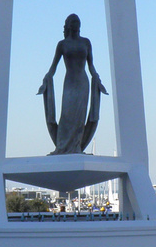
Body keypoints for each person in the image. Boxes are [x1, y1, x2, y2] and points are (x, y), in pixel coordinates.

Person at [38, 14, 108, 154]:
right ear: (69, 25)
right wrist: (46, 81)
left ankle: (76, 147)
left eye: (78, 22)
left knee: (79, 117)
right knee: (67, 116)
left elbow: (91, 66)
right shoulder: (62, 44)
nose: (77, 24)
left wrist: (97, 80)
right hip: (69, 82)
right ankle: (63, 147)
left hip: (83, 82)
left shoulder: (86, 42)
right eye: (74, 22)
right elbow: (53, 67)